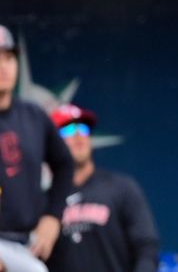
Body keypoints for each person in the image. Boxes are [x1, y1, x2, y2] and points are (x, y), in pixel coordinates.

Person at [46, 104, 160, 272]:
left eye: (83, 128)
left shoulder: (121, 188)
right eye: (68, 130)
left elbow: (146, 247)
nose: (78, 135)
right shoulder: (45, 201)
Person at [0, 25, 73, 272]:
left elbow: (64, 164)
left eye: (8, 57)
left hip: (29, 243)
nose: (4, 66)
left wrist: (53, 217)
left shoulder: (33, 115)